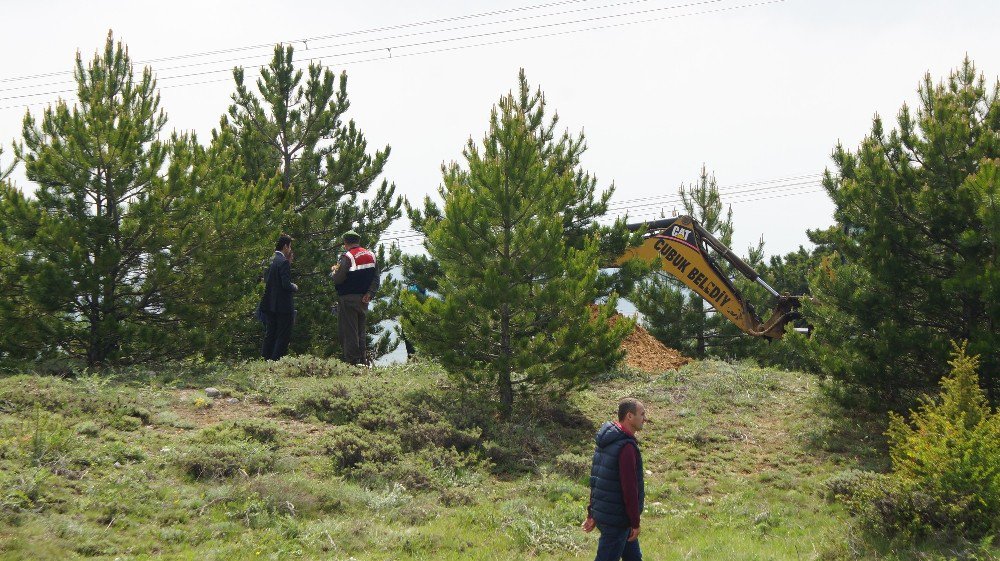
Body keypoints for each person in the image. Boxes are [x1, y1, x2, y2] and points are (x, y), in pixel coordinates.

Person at [582, 398, 648, 561]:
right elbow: (630, 489)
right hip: (617, 520)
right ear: (629, 416)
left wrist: (592, 513)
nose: (644, 418)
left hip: (607, 514)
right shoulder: (626, 447)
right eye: (642, 414)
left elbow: (596, 479)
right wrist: (635, 522)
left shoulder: (607, 440)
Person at [330, 230, 380, 366]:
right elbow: (376, 279)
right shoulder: (371, 255)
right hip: (364, 299)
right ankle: (363, 360)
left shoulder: (347, 257)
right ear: (358, 241)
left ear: (346, 243)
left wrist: (333, 272)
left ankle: (352, 362)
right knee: (361, 331)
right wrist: (369, 294)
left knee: (349, 331)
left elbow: (338, 279)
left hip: (348, 298)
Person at [260, 234, 298, 361]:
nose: (290, 249)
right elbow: (285, 284)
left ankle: (265, 358)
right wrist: (294, 286)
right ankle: (276, 360)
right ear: (285, 246)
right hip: (282, 305)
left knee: (270, 333)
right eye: (290, 246)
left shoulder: (268, 261)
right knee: (282, 334)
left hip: (268, 303)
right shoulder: (283, 262)